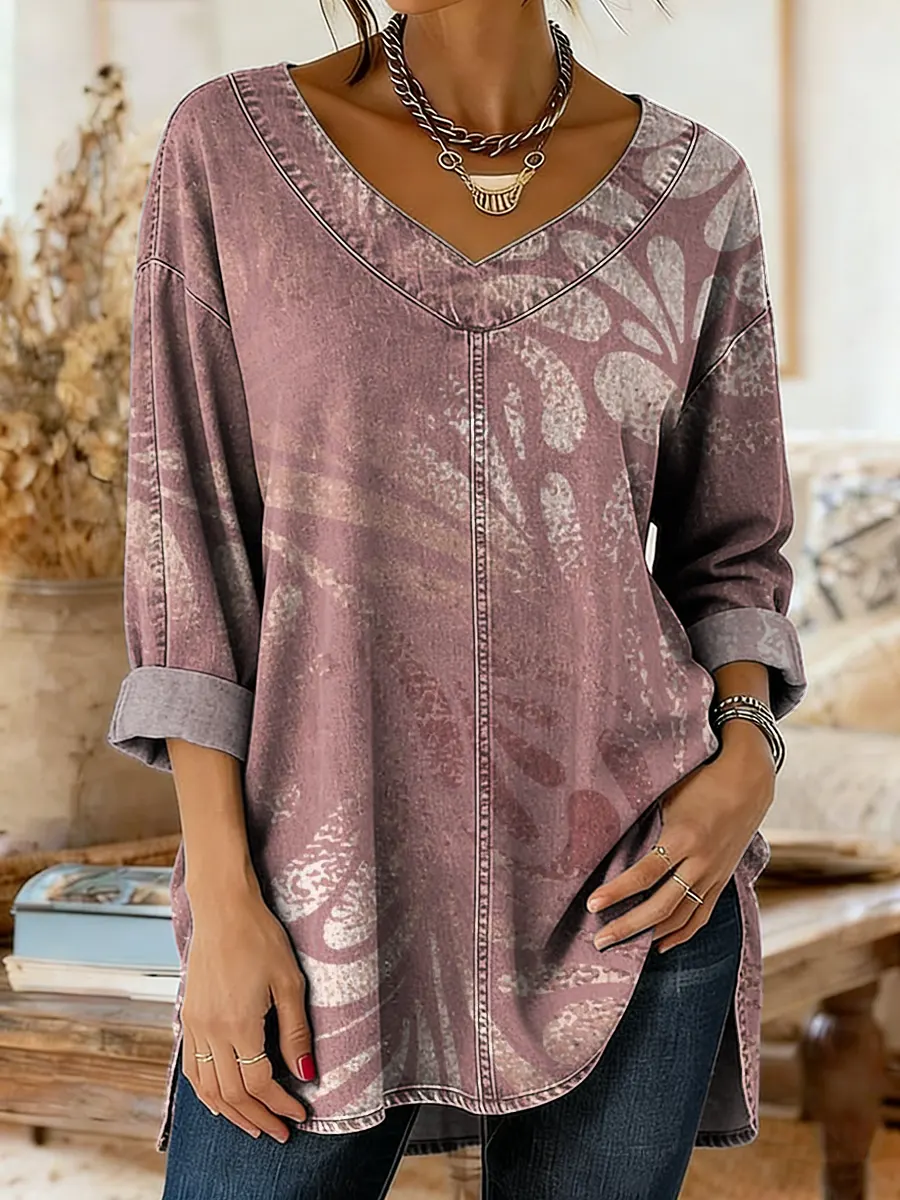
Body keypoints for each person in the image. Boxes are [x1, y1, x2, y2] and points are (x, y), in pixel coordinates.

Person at [107, 0, 808, 1196]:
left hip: (633, 892)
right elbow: (189, 550)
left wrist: (746, 763)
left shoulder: (698, 193)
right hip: (315, 901)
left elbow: (731, 551)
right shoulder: (230, 150)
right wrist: (221, 897)